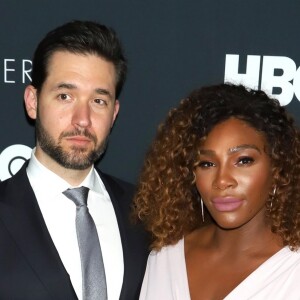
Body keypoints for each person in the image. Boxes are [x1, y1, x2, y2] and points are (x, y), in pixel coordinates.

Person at [0, 20, 148, 300]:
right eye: (65, 96)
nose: (83, 120)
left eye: (98, 101)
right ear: (33, 101)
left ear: (114, 113)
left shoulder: (144, 212)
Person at [133, 83, 300, 299]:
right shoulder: (165, 256)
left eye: (243, 160)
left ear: (278, 167)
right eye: (206, 164)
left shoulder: (293, 270)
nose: (222, 181)